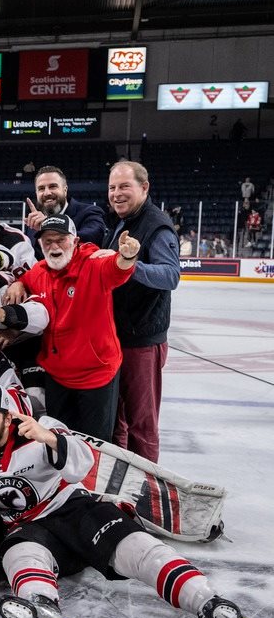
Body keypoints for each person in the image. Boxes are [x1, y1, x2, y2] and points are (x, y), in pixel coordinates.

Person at [0, 382, 266, 618]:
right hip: (27, 530)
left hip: (73, 511)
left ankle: (208, 602)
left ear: (7, 417)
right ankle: (42, 606)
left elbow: (83, 464)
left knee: (137, 548)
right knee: (19, 554)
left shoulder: (40, 429)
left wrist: (51, 439)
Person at [5, 213, 138, 442]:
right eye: (48, 241)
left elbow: (117, 269)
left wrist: (128, 256)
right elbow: (27, 279)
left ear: (75, 241)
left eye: (61, 239)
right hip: (57, 376)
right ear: (40, 244)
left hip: (96, 375)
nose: (54, 246)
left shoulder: (93, 264)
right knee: (60, 439)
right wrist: (18, 283)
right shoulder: (39, 271)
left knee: (95, 445)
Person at [106, 161, 178, 462]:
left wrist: (130, 264)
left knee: (141, 425)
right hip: (117, 338)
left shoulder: (156, 225)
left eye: (124, 186)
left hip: (142, 343)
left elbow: (170, 275)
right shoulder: (122, 222)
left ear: (144, 188)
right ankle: (119, 488)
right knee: (116, 421)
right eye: (112, 188)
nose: (116, 194)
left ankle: (146, 495)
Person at [25, 166, 107, 248]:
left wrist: (49, 226)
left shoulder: (90, 212)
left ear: (65, 190)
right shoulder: (34, 224)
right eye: (41, 188)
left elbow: (93, 239)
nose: (47, 193)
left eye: (53, 186)